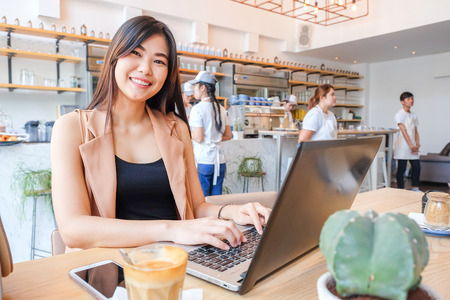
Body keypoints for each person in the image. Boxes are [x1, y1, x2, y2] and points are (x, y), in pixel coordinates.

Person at [51, 16, 270, 252]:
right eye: (135, 53)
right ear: (114, 56)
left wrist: (232, 211)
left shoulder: (176, 128)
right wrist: (172, 230)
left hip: (176, 263)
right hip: (108, 270)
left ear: (168, 73)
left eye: (158, 61)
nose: (145, 68)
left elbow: (196, 206)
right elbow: (74, 230)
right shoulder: (72, 128)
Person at [188, 71, 232, 196]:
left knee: (203, 200)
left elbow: (198, 137)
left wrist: (186, 130)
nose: (193, 89)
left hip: (204, 160)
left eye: (195, 86)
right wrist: (215, 139)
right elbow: (228, 135)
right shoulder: (221, 109)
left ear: (202, 88)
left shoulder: (198, 109)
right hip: (220, 160)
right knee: (216, 201)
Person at [394, 91, 421, 191]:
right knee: (402, 167)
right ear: (402, 101)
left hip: (413, 144)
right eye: (408, 99)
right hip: (402, 145)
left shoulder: (413, 115)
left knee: (417, 166)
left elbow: (416, 131)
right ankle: (400, 189)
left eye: (412, 98)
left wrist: (417, 144)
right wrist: (410, 146)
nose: (411, 101)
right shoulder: (399, 114)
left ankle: (415, 187)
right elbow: (403, 131)